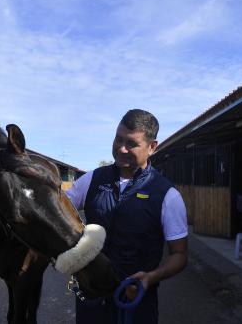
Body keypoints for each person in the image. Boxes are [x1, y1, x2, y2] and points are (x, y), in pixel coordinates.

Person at [66, 109, 188, 324]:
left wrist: (150, 278)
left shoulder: (167, 195)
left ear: (152, 147)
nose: (121, 148)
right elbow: (59, 210)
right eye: (118, 139)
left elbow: (179, 255)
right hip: (91, 297)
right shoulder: (92, 180)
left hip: (136, 299)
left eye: (131, 143)